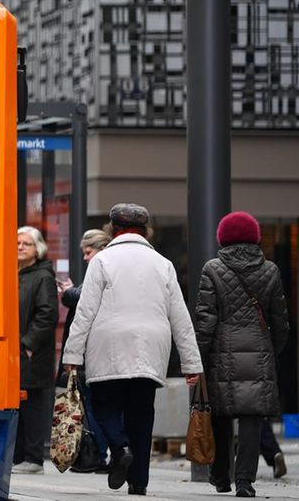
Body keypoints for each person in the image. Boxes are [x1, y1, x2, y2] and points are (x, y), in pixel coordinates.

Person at [62, 203, 203, 496]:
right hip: (152, 345)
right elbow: (180, 316)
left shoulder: (102, 261)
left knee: (105, 404)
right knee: (142, 412)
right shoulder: (163, 264)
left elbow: (85, 312)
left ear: (113, 229)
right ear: (145, 231)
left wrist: (72, 356)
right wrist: (192, 364)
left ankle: (120, 446)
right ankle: (139, 482)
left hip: (109, 343)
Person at [195, 211, 289, 498]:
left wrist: (197, 355)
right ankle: (245, 482)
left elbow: (205, 319)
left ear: (222, 238)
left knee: (221, 414)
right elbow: (280, 321)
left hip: (222, 353)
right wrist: (272, 349)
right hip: (259, 351)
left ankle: (221, 476)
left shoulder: (212, 269)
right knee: (251, 417)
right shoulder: (270, 270)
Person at [59, 228, 113, 473]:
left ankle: (97, 454)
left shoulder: (102, 270)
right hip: (96, 352)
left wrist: (68, 291)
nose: (85, 258)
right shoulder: (100, 270)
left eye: (88, 252)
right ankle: (100, 453)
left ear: (101, 250)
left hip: (92, 353)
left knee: (93, 406)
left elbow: (76, 297)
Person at [14, 225, 57, 474]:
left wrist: (28, 345)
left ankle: (33, 459)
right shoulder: (16, 273)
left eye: (26, 244)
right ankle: (19, 457)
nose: (20, 247)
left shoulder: (42, 276)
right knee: (17, 406)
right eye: (18, 243)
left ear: (37, 249)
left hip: (32, 354)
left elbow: (47, 314)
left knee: (33, 407)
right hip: (15, 353)